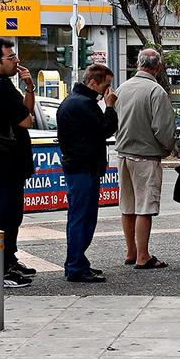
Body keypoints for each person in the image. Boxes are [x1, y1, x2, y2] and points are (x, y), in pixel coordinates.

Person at [0, 37, 36, 288]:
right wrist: (27, 92)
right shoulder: (0, 86)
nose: (17, 62)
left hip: (3, 157)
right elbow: (27, 121)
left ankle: (9, 258)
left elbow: (25, 112)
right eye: (11, 58)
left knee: (12, 212)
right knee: (6, 213)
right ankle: (2, 268)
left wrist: (30, 88)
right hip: (5, 158)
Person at [114, 48, 175, 270]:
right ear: (157, 67)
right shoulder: (156, 91)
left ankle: (130, 251)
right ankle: (143, 255)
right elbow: (163, 129)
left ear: (138, 64)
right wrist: (167, 148)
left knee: (128, 206)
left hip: (123, 154)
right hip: (146, 155)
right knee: (144, 207)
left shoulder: (123, 88)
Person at [57, 64, 118, 283]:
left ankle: (77, 262)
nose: (107, 90)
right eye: (106, 85)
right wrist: (110, 107)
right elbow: (106, 129)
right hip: (84, 167)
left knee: (80, 217)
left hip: (80, 165)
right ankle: (76, 266)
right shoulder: (84, 104)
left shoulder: (75, 101)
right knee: (82, 218)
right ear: (93, 82)